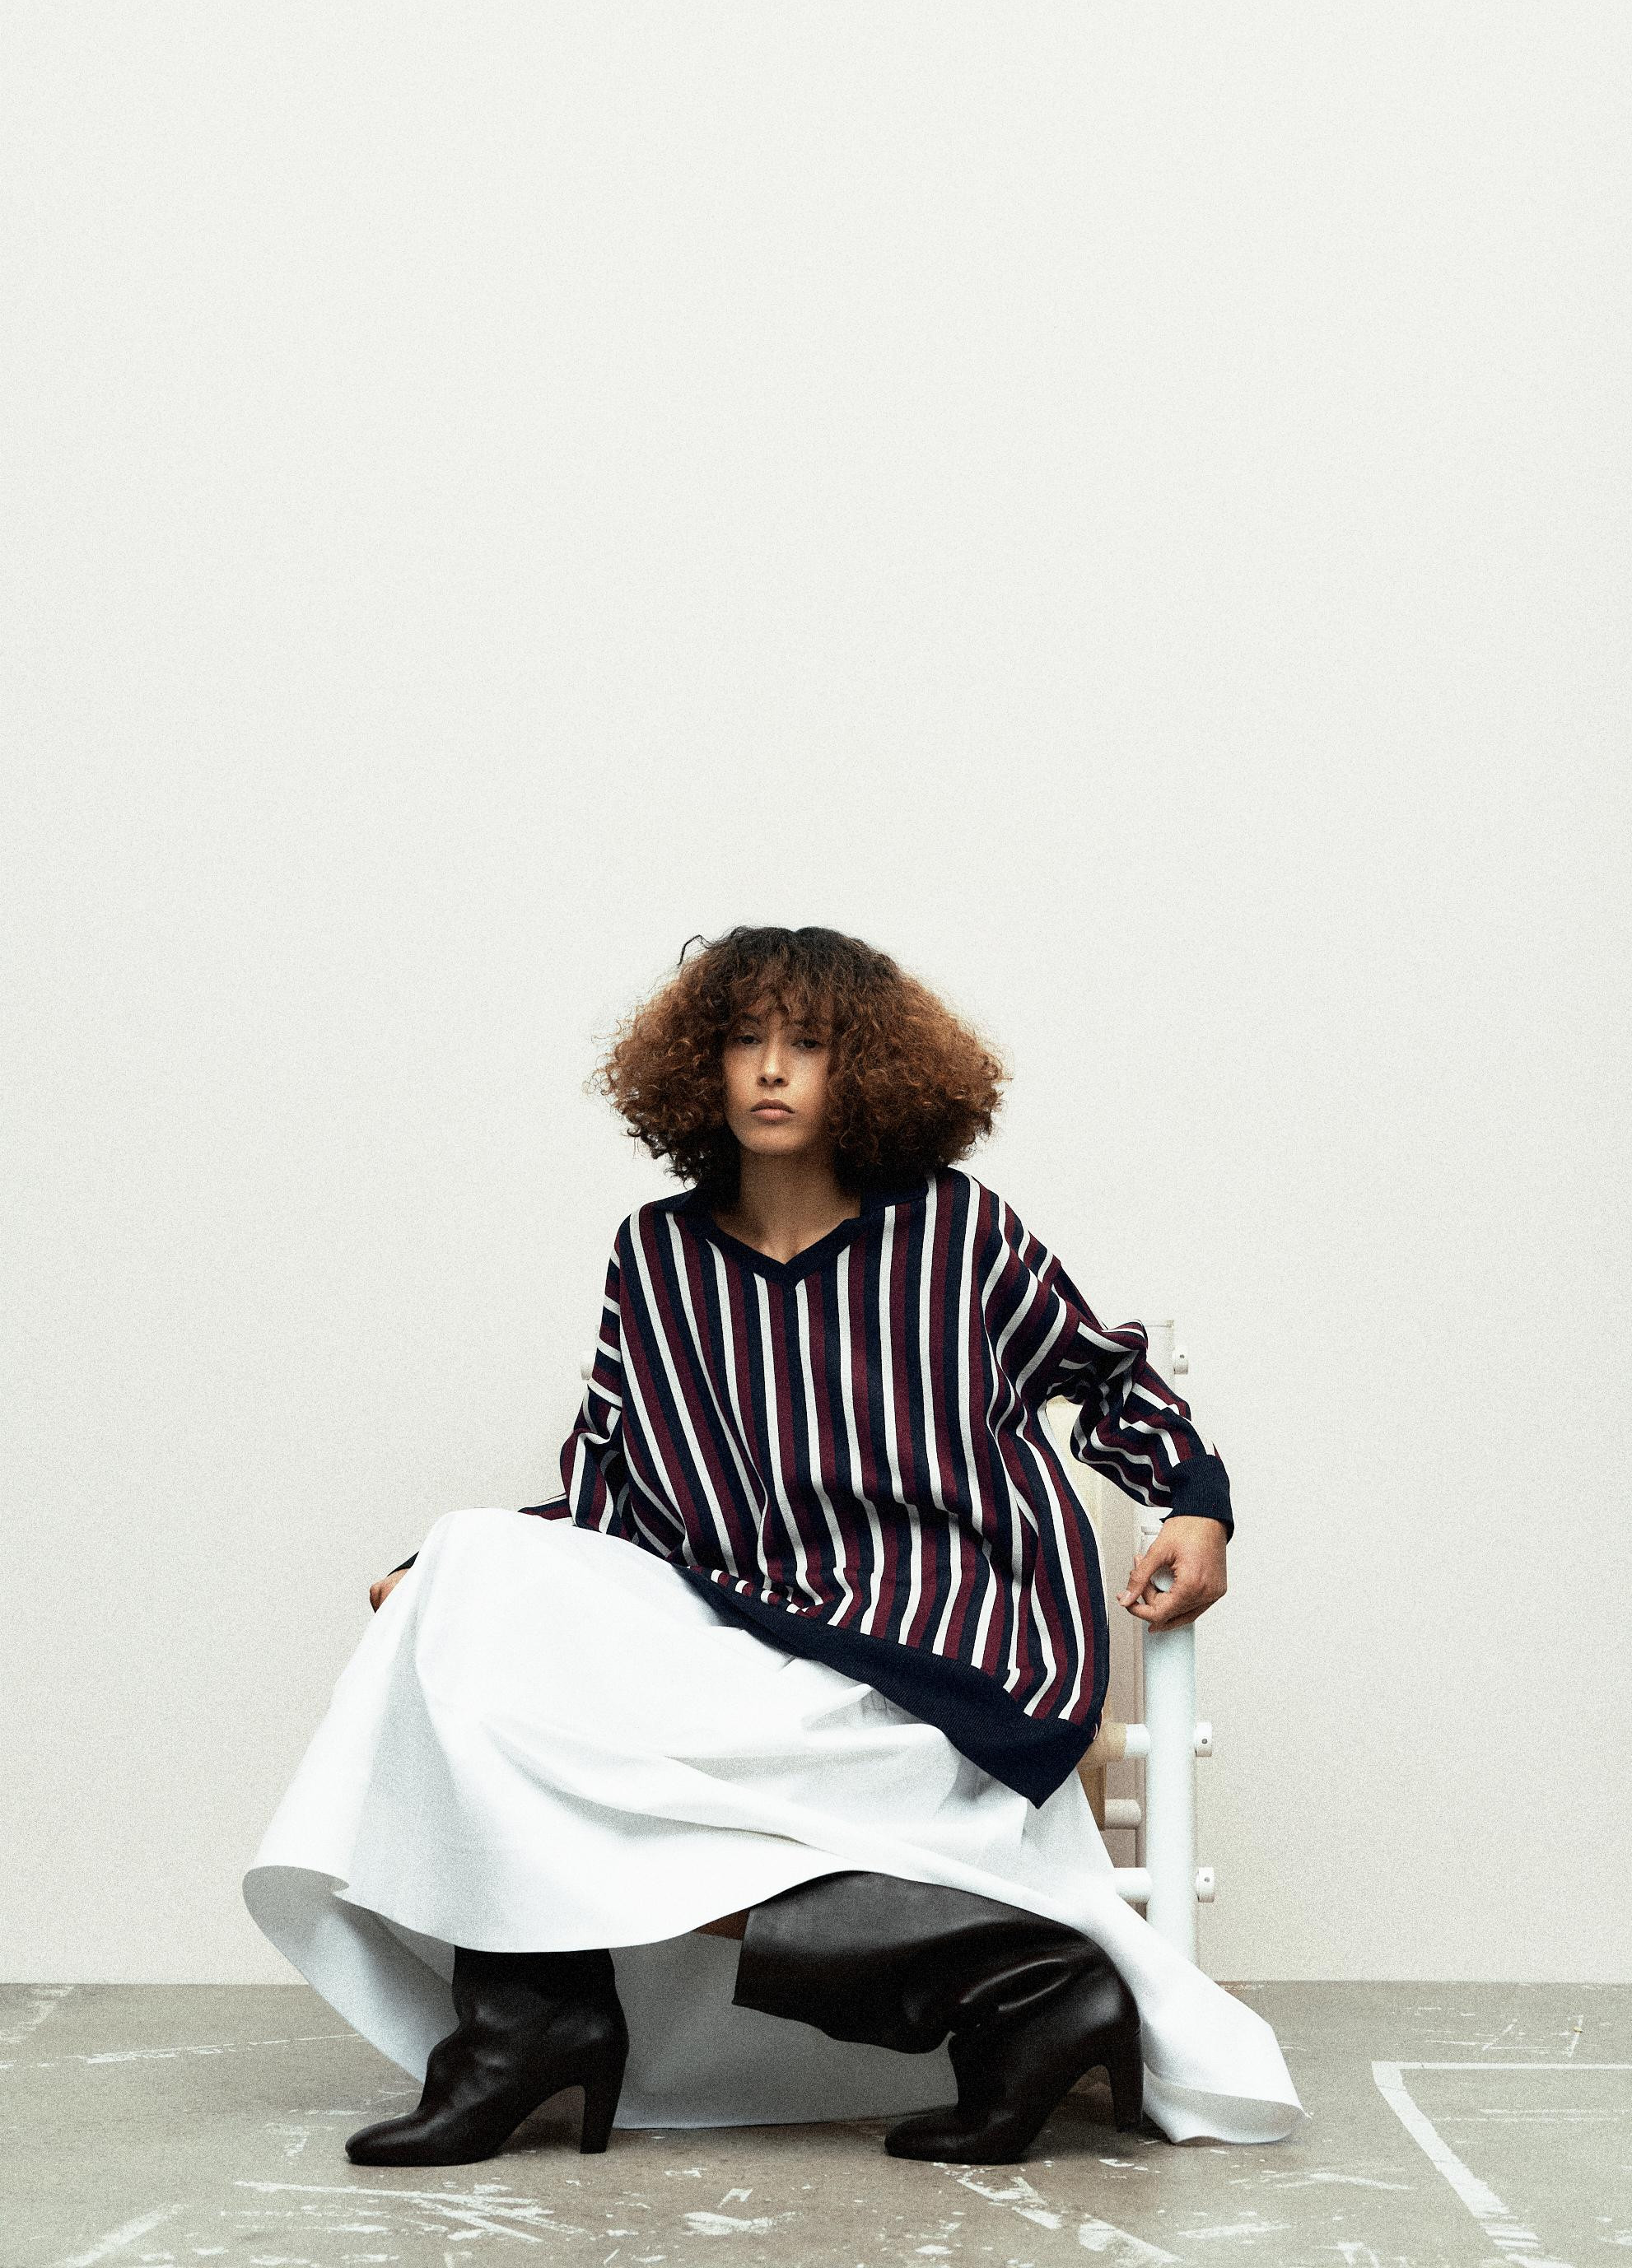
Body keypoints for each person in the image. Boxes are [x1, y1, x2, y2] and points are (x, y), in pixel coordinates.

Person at [244, 925, 1302, 2171]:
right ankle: (553, 2024)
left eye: (809, 1043)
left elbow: (1103, 1377)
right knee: (465, 1565)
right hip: (753, 1634)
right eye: (745, 1039)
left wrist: (1194, 1506)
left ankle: (979, 1985)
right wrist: (453, 1584)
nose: (772, 1069)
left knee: (527, 1677)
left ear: (870, 1070)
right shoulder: (656, 1257)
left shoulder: (955, 1230)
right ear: (700, 1066)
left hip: (948, 1654)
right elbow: (611, 1495)